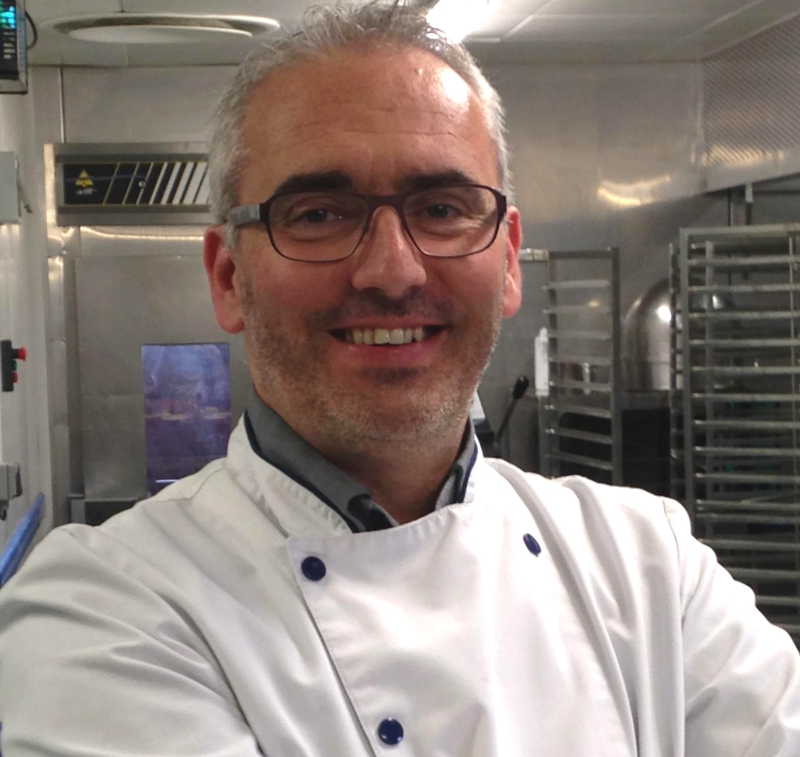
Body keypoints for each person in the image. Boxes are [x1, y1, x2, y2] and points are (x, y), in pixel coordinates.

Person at [1, 2, 799, 755]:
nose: (392, 270)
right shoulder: (103, 607)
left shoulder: (649, 565)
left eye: (442, 208)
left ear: (509, 259)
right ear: (228, 277)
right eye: (319, 213)